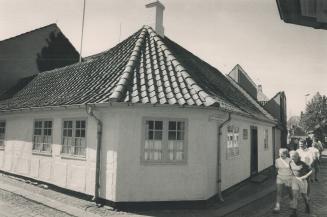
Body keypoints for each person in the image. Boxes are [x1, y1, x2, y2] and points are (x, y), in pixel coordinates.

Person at [289, 151, 312, 217]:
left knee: (304, 196)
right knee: (295, 196)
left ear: (298, 157)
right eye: (291, 156)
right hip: (295, 180)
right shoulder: (290, 163)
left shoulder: (303, 163)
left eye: (294, 156)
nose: (293, 158)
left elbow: (311, 170)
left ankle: (307, 206)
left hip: (303, 181)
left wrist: (305, 176)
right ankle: (294, 212)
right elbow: (291, 171)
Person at [273, 148, 293, 213]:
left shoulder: (290, 160)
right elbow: (277, 170)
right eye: (280, 154)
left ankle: (292, 202)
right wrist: (280, 175)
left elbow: (293, 170)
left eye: (283, 154)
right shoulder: (277, 160)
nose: (281, 155)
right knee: (279, 192)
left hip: (288, 178)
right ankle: (277, 206)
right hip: (280, 178)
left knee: (290, 192)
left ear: (286, 154)